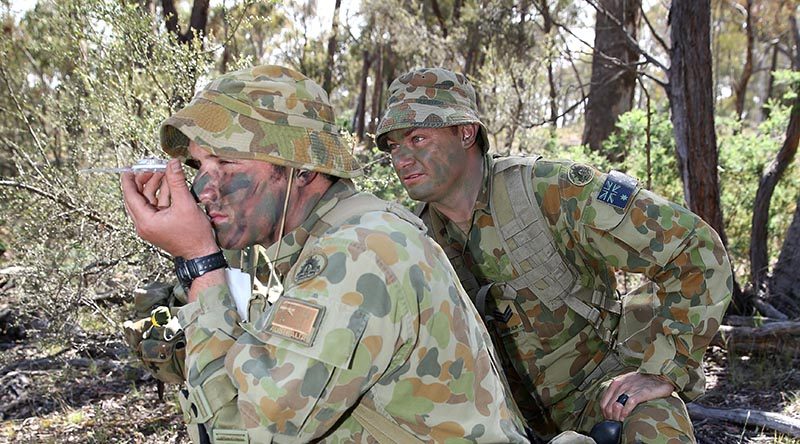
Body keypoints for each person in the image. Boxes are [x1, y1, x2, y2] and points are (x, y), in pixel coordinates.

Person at [120, 65, 531, 443]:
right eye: (199, 165)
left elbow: (242, 432)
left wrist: (199, 261)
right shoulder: (323, 241)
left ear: (303, 168)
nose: (204, 189)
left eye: (226, 161)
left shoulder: (358, 252)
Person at [375, 67, 733, 443]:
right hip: (494, 421)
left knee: (656, 425)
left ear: (466, 132)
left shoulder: (550, 190)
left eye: (418, 138)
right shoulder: (413, 242)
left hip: (600, 391)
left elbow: (694, 248)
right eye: (395, 146)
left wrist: (662, 370)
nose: (402, 160)